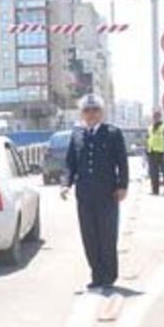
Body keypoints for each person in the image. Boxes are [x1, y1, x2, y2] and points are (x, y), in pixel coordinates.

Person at [60, 93, 129, 291]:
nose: (91, 114)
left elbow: (122, 162)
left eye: (95, 110)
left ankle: (109, 275)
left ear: (102, 113)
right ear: (82, 114)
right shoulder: (77, 135)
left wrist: (123, 186)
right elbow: (70, 163)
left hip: (107, 194)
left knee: (107, 236)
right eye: (87, 110)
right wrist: (66, 184)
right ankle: (96, 274)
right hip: (85, 195)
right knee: (89, 236)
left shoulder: (112, 133)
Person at [146, 112, 164, 196]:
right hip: (152, 152)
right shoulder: (150, 128)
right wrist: (147, 151)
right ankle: (155, 190)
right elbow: (148, 140)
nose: (155, 118)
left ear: (160, 117)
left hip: (162, 152)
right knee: (153, 173)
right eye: (154, 117)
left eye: (156, 117)